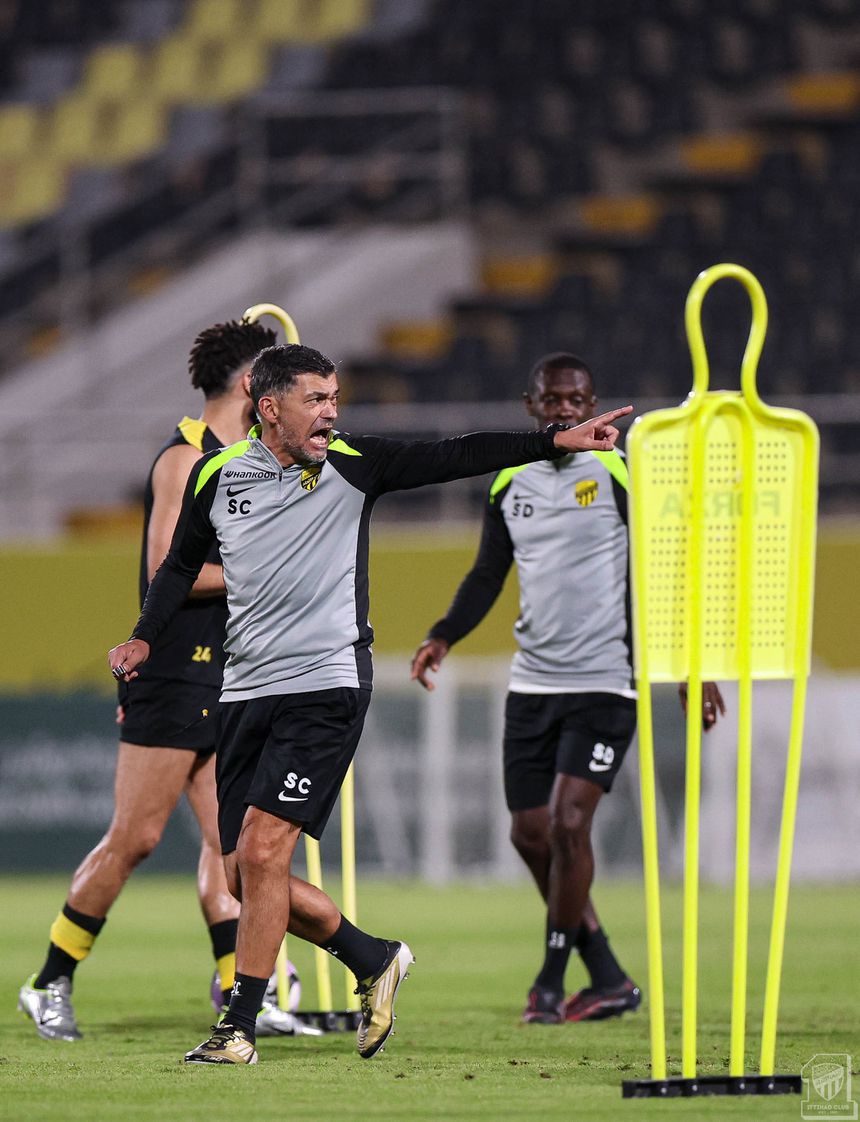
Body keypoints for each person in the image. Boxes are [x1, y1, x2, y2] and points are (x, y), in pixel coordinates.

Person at [106, 342, 634, 1065]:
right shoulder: (216, 477)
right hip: (244, 691)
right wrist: (142, 638)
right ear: (270, 408)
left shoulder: (353, 464)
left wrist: (549, 440)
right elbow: (174, 569)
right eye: (317, 400)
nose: (332, 412)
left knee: (261, 852)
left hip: (325, 687)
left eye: (334, 398)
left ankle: (239, 1027)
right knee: (240, 874)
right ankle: (372, 958)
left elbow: (455, 453)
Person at [410, 352, 725, 1025]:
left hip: (606, 681)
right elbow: (487, 575)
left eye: (576, 400)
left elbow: (660, 569)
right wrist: (443, 633)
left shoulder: (618, 473)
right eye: (552, 400)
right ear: (532, 407)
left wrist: (687, 665)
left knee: (568, 822)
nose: (564, 411)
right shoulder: (508, 482)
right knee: (530, 836)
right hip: (533, 683)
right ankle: (607, 975)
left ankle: (550, 981)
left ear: (592, 405)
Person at [18, 320, 299, 1042]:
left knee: (230, 849)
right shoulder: (183, 459)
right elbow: (163, 570)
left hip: (226, 674)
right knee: (135, 838)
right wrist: (263, 573)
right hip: (173, 674)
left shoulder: (248, 460)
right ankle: (48, 980)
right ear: (249, 384)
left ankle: (242, 991)